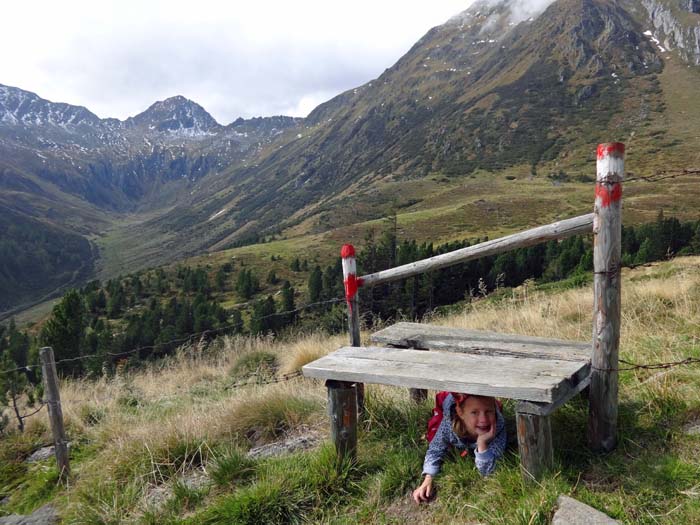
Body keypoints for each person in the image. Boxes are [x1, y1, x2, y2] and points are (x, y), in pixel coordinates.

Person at [412, 392, 507, 504]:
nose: (483, 419)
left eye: (489, 411)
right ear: (460, 413)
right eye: (474, 413)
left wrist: (482, 444)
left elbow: (489, 472)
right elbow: (435, 449)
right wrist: (429, 478)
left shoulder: (498, 427)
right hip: (452, 402)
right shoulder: (449, 425)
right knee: (433, 434)